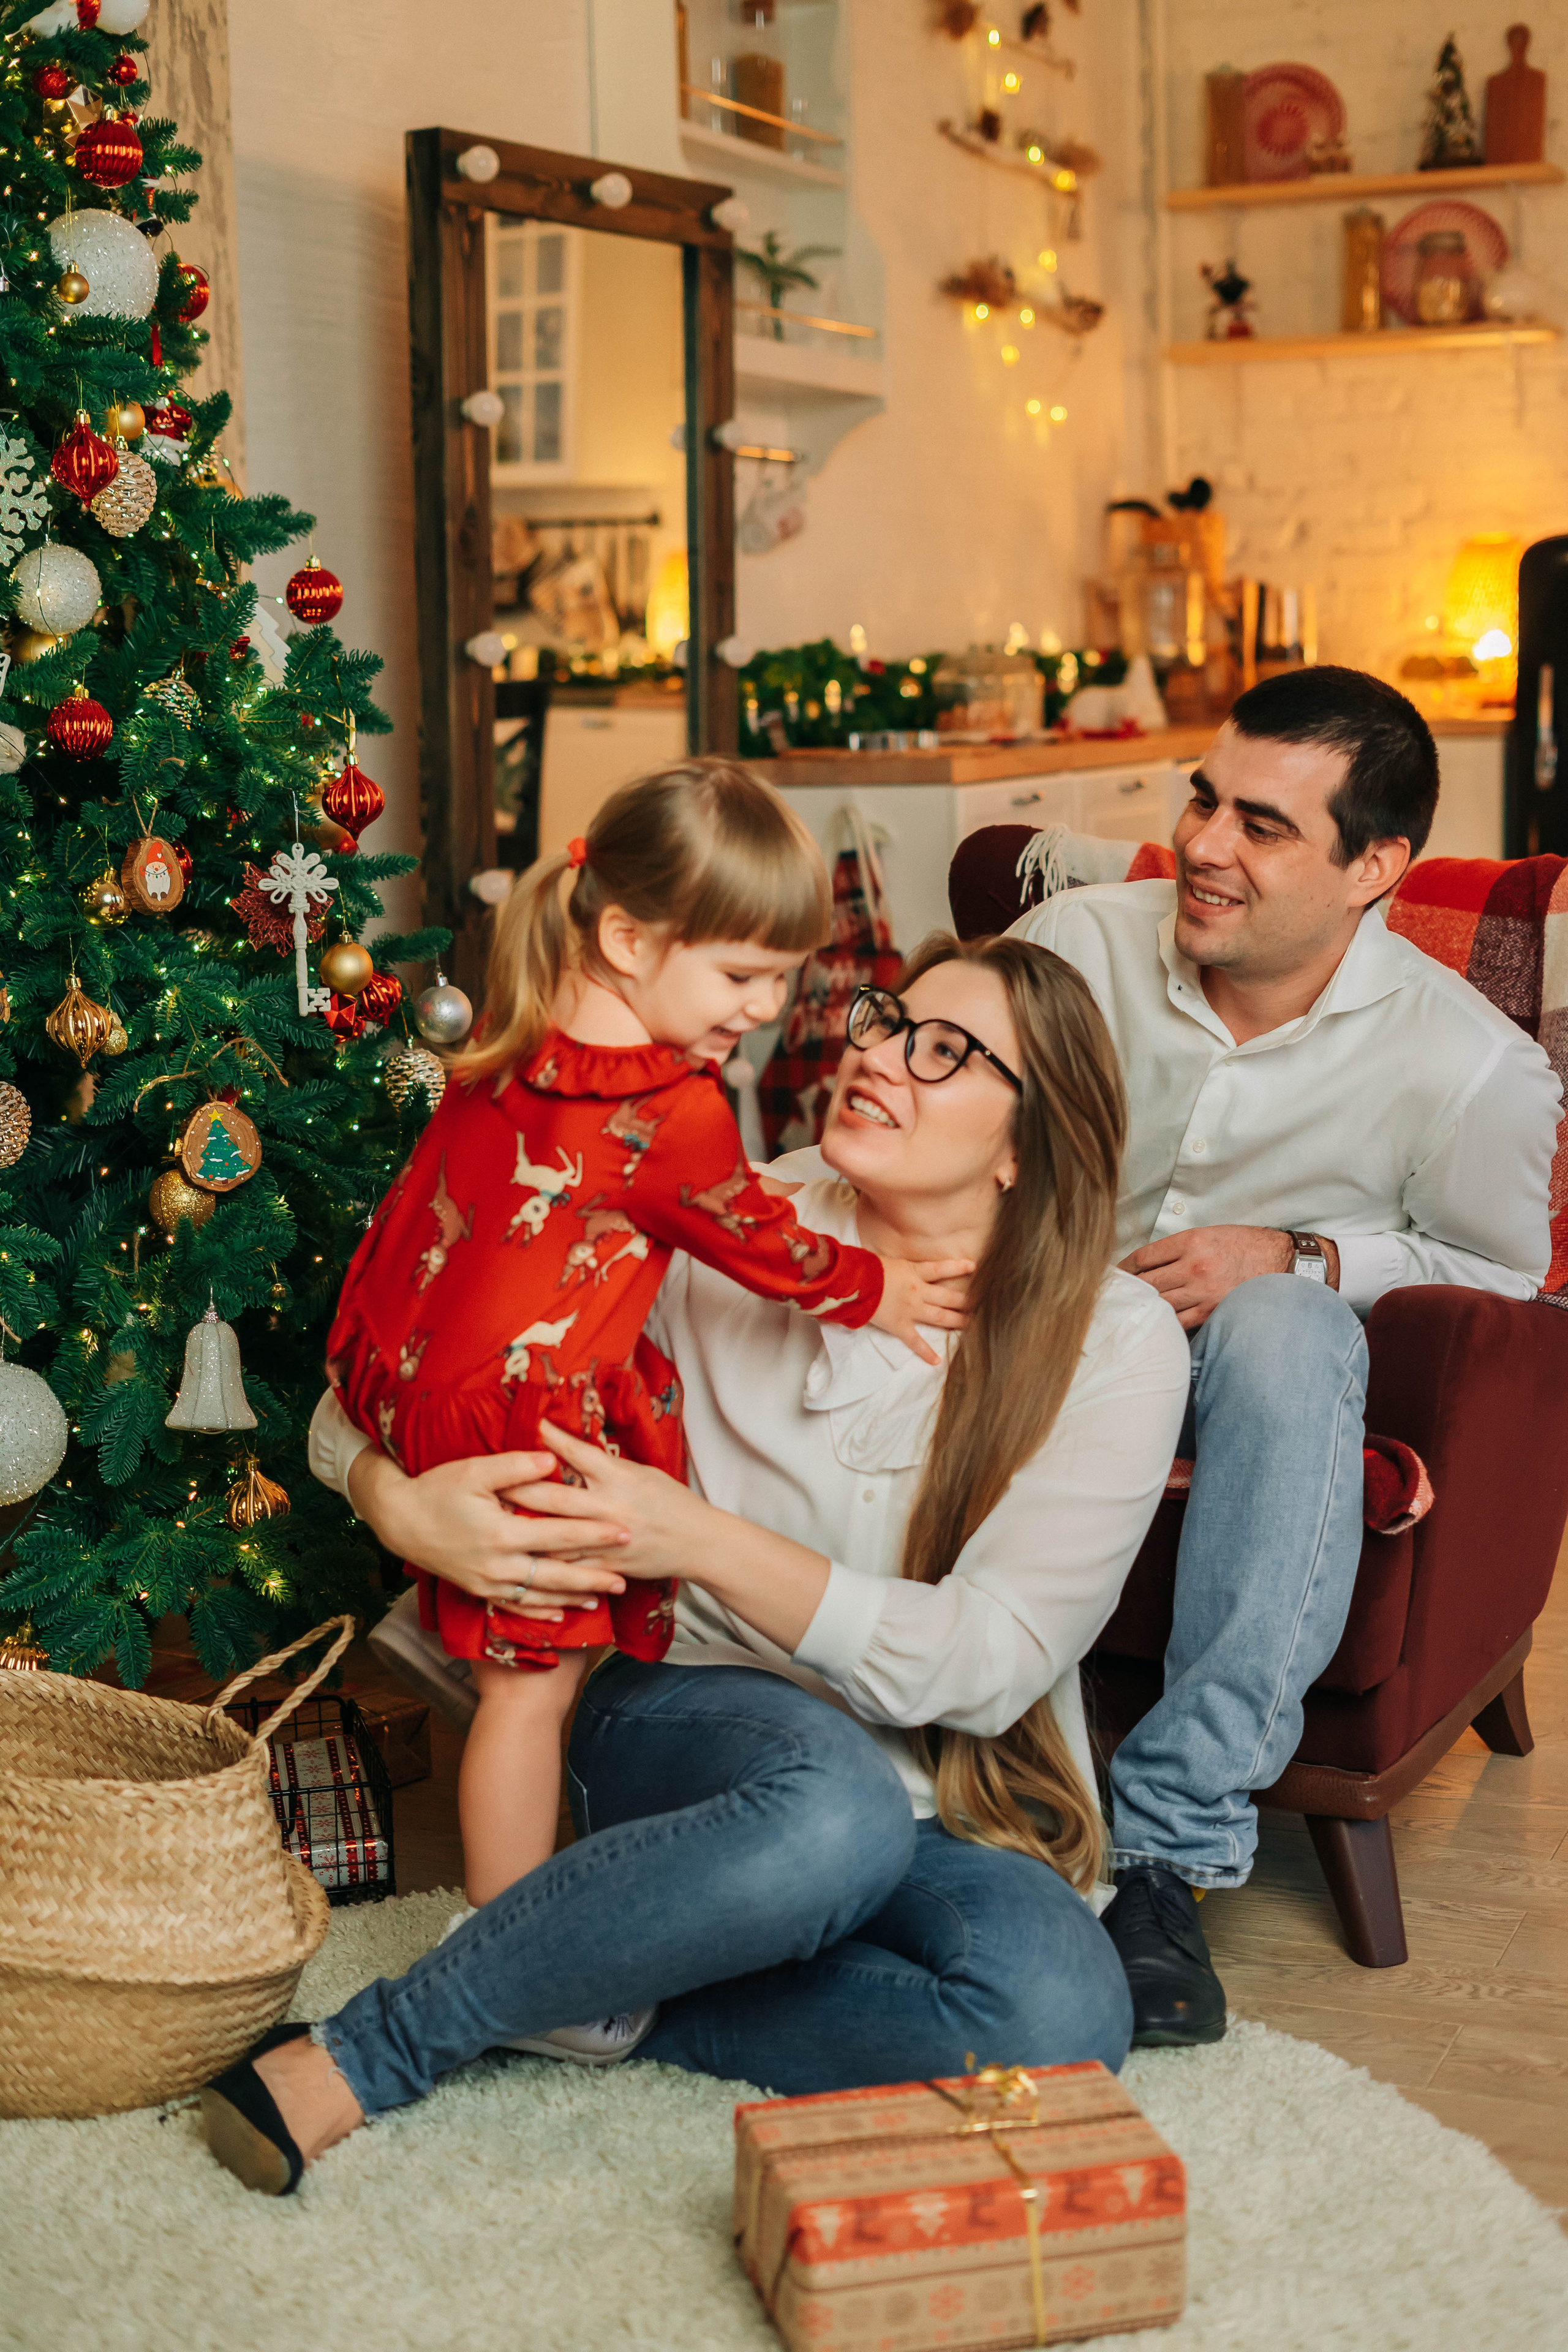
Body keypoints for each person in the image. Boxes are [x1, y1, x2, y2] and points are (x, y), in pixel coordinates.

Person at [196, 933, 1190, 2196]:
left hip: (944, 1796)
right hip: (678, 1720)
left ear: (1021, 1148)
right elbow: (398, 1368)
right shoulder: (706, 1207)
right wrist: (397, 1504)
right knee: (827, 1802)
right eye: (886, 1022)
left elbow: (988, 1667)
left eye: (942, 1052)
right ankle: (381, 2045)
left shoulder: (1114, 1342)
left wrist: (692, 1534)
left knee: (1055, 2018)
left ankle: (594, 1984)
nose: (876, 1056)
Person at [326, 763, 970, 1978]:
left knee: (533, 1689)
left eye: (780, 975)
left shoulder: (508, 1042)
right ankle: (506, 1959)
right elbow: (762, 1244)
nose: (769, 1008)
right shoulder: (669, 1107)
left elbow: (416, 1219)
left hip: (417, 1377)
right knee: (531, 1699)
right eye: (740, 976)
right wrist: (883, 1287)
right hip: (528, 1426)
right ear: (625, 937)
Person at [1005, 665, 1561, 2048]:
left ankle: (1165, 1857)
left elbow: (1511, 1281)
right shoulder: (1073, 943)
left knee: (1290, 1323)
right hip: (1031, 1329)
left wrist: (1309, 1255)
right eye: (1202, 801)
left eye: (1261, 826)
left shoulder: (1470, 1067)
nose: (1200, 845)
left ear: (1375, 866)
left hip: (1243, 1373)